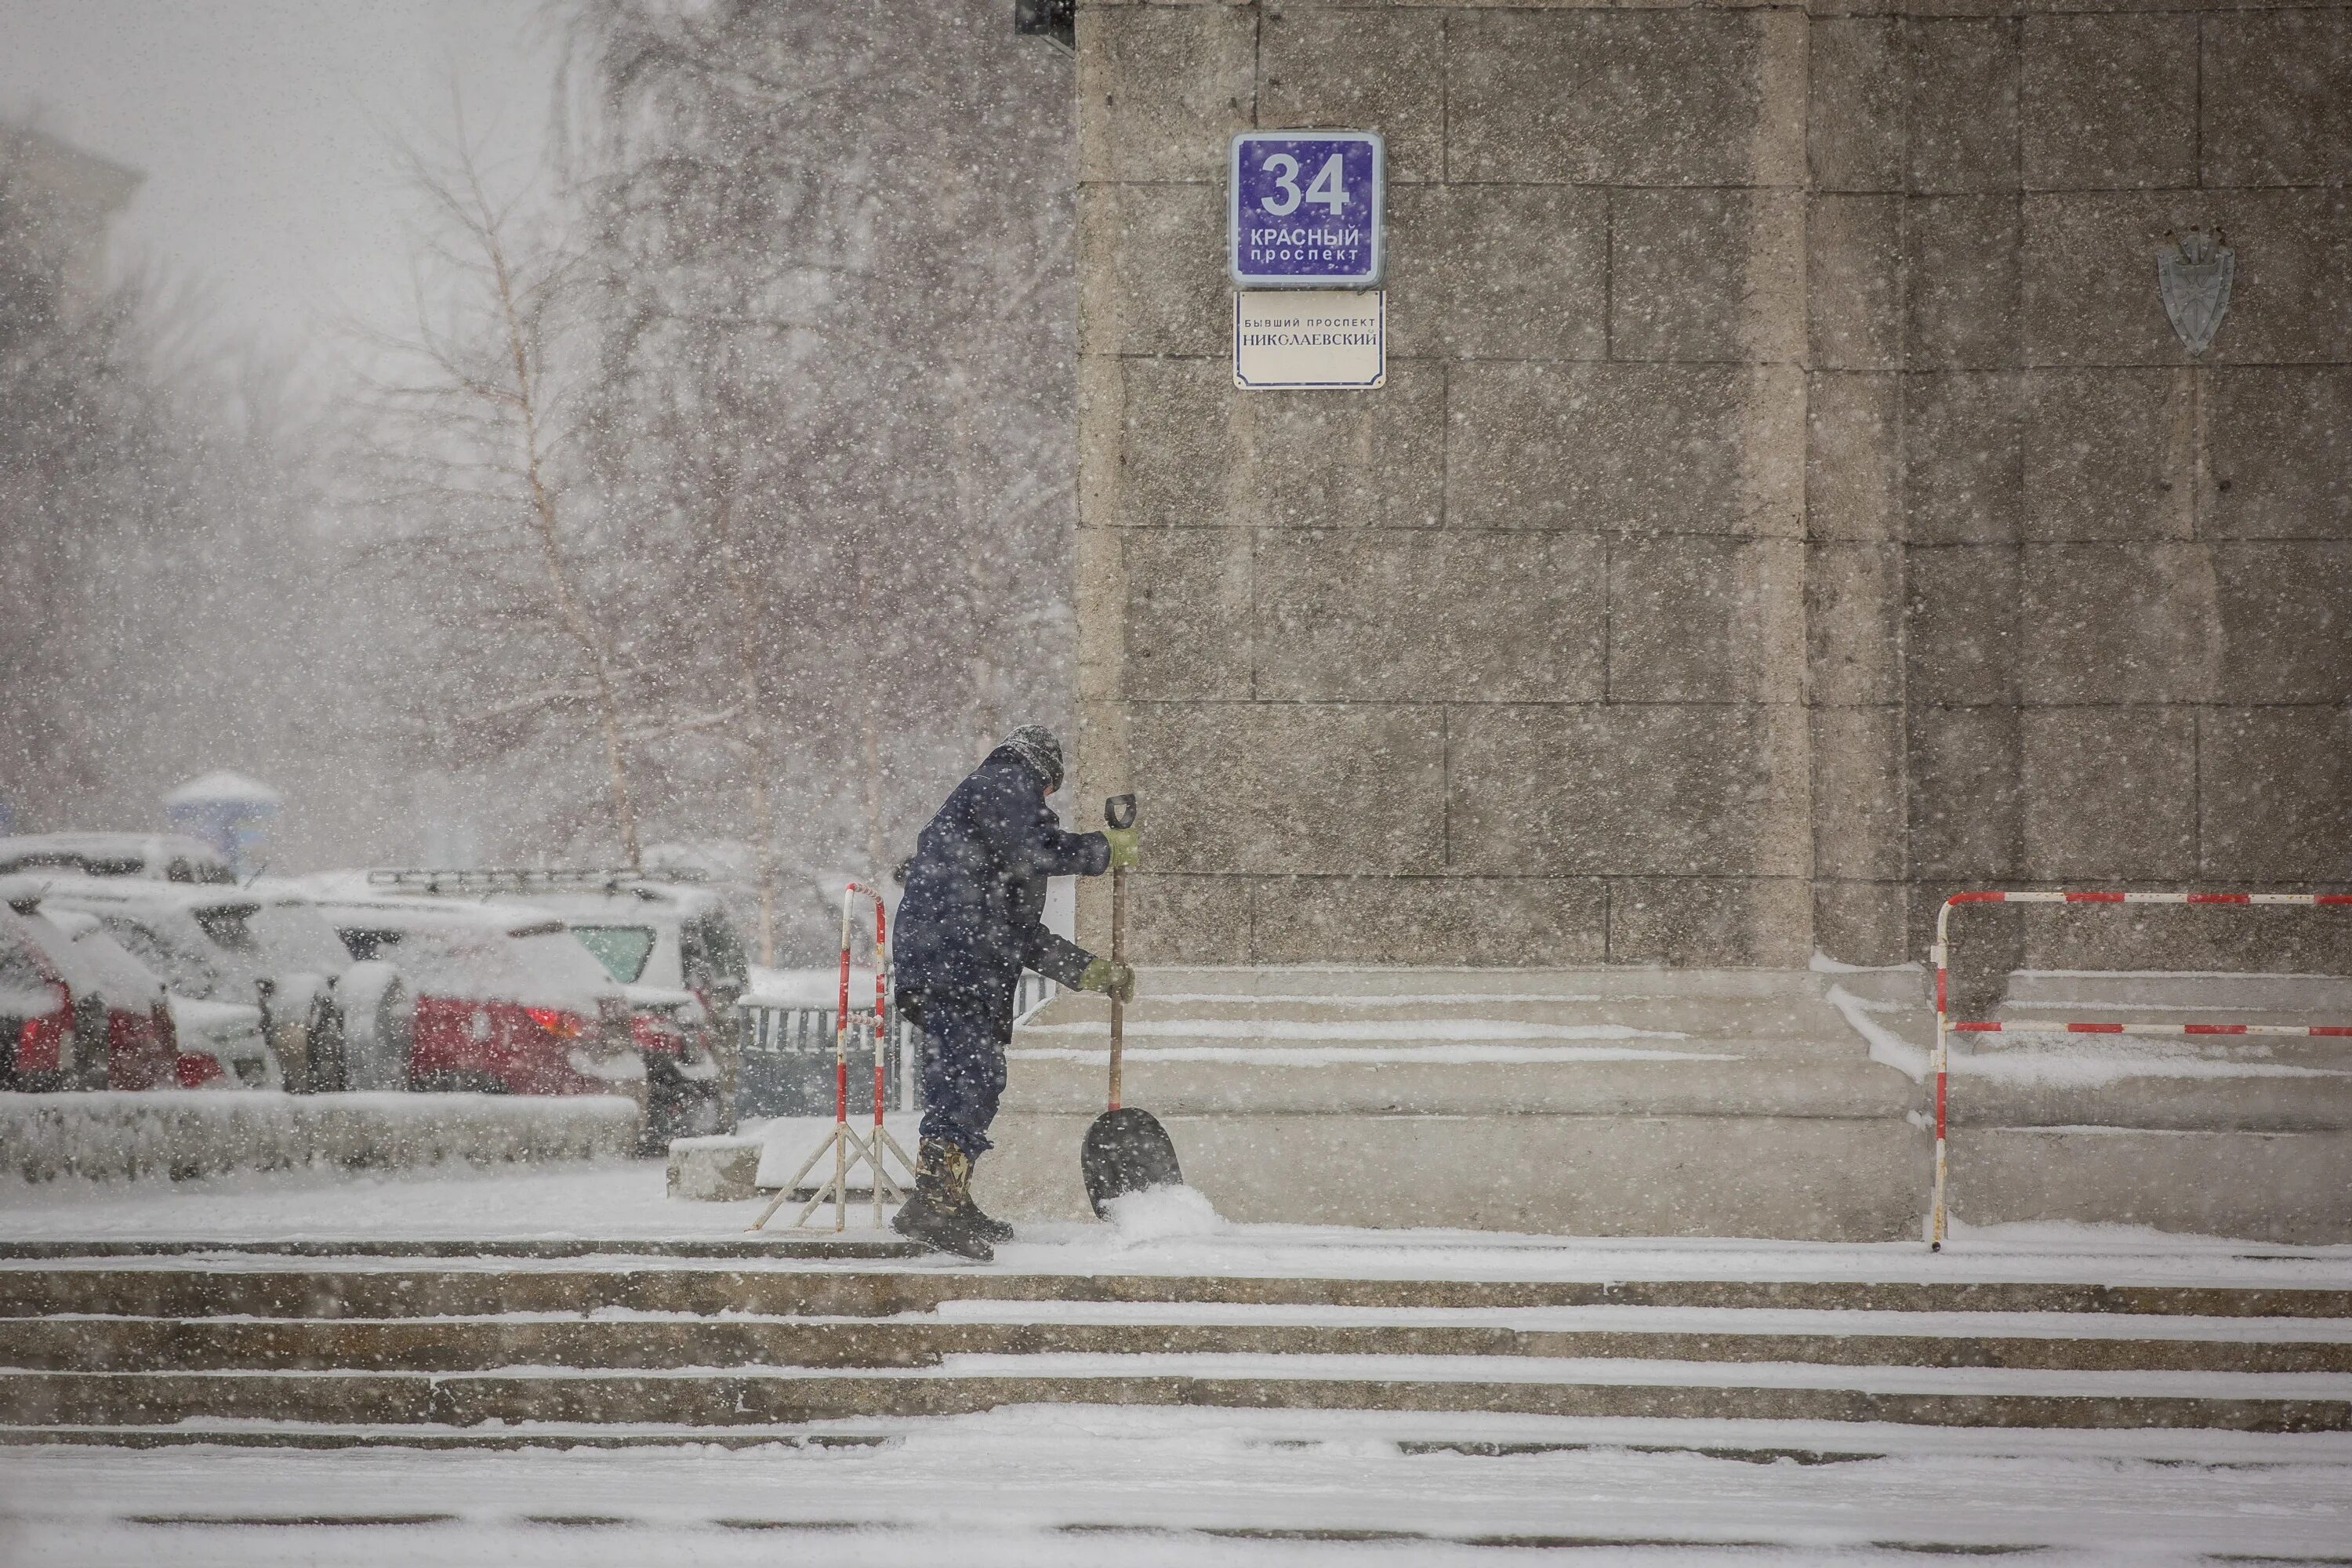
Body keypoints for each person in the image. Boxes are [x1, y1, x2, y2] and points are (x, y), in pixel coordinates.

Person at [889, 725, 1138, 1259]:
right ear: (1045, 775)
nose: (1044, 802)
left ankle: (947, 1198)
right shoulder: (1004, 779)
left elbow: (1017, 933)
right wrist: (1102, 851)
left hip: (957, 960)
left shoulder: (994, 834)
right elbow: (1037, 848)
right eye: (1047, 794)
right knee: (967, 1077)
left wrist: (1092, 972)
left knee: (970, 1078)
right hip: (954, 961)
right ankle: (934, 1203)